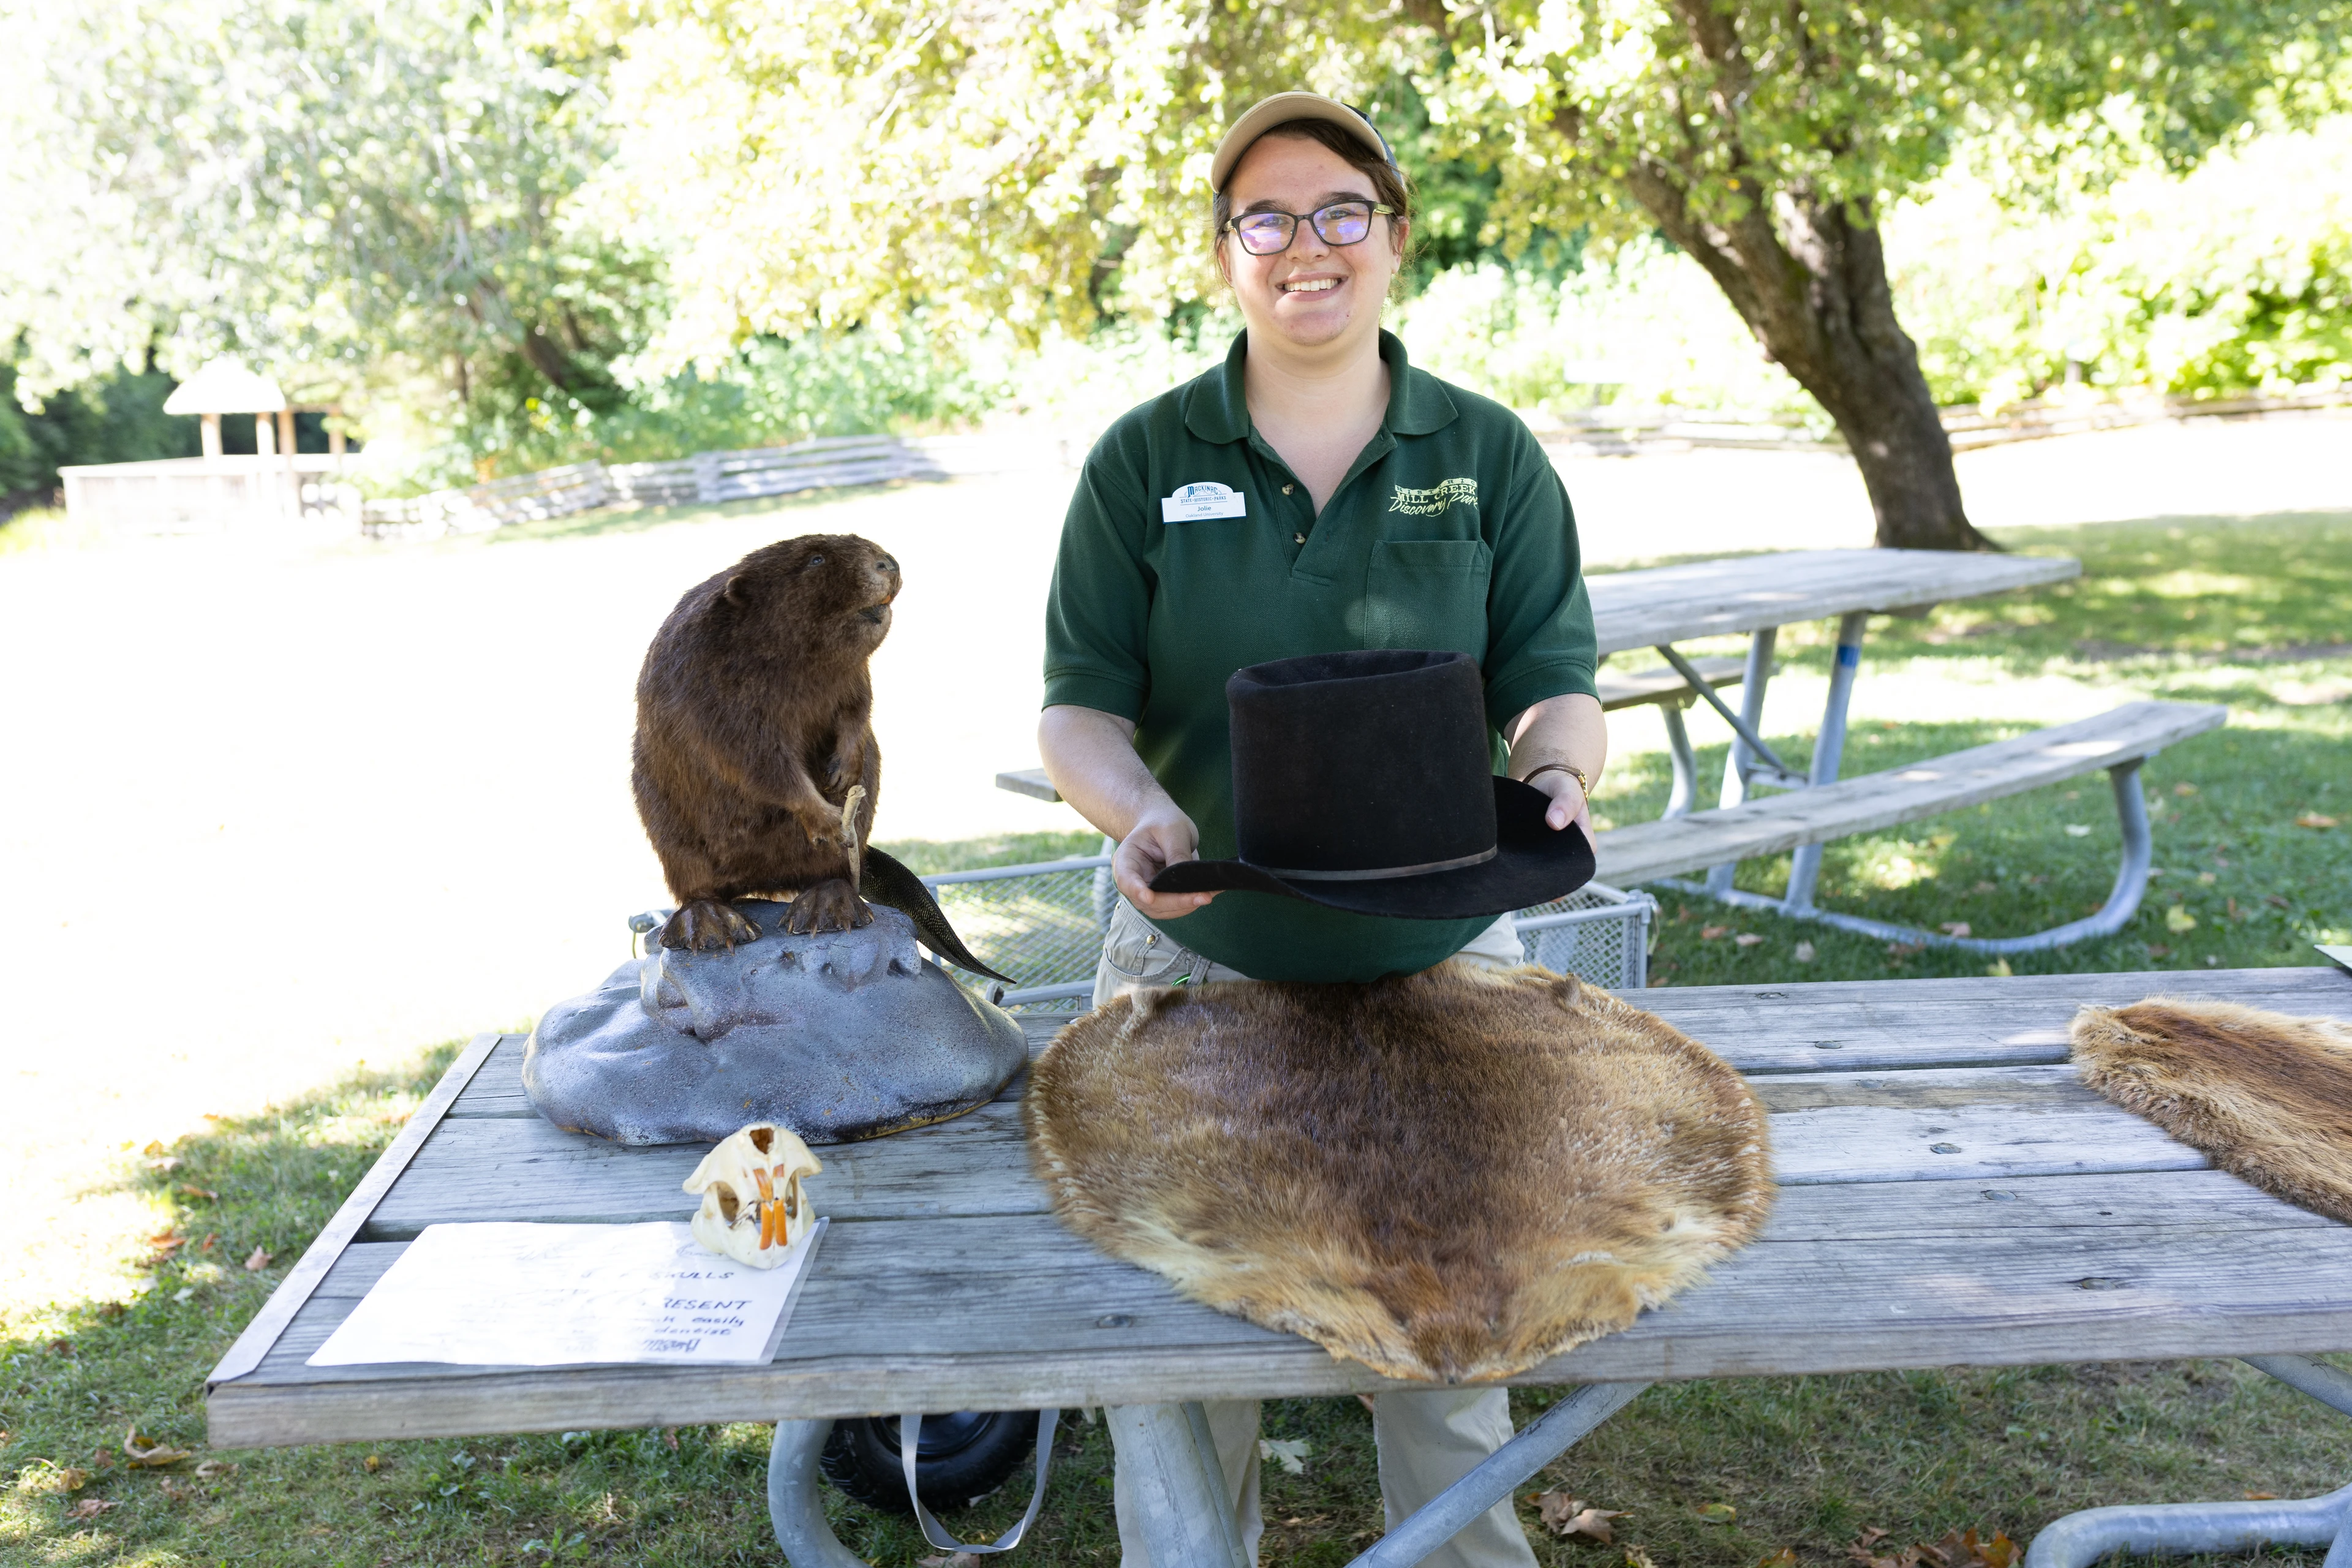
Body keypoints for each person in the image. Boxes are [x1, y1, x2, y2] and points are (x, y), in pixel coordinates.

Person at [1036, 90, 1606, 1568]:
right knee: (1184, 1357)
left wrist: (1557, 767)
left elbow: (1555, 684)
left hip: (1450, 962)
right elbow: (1077, 711)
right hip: (1201, 964)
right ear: (1225, 254)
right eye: (1268, 217)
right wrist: (1143, 809)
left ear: (1395, 237)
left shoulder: (1486, 452)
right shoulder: (1143, 461)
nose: (1309, 244)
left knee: (1446, 1352)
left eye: (1342, 209)